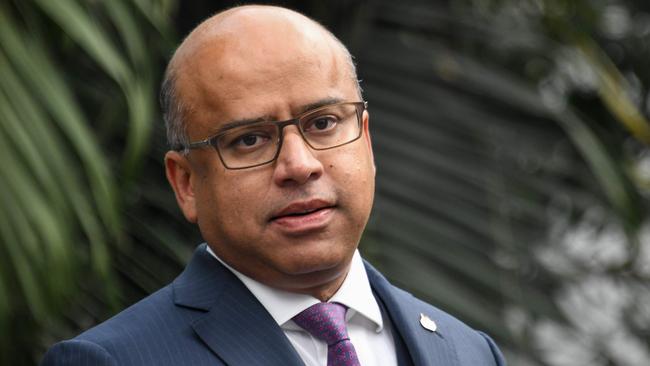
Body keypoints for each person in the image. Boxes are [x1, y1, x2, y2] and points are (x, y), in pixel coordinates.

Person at [41, 5, 505, 366]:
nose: (299, 166)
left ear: (366, 139)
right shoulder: (114, 360)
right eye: (249, 139)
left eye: (323, 123)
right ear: (185, 183)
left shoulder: (467, 351)